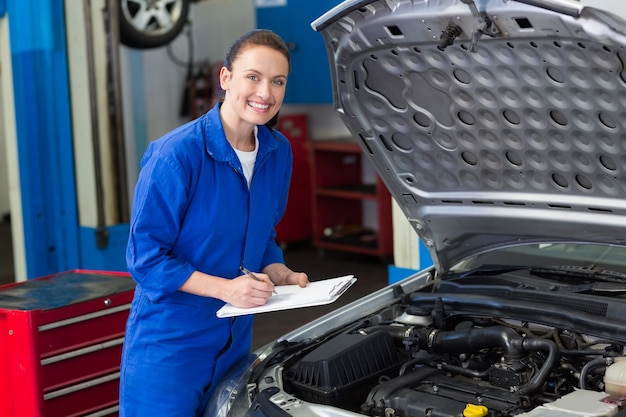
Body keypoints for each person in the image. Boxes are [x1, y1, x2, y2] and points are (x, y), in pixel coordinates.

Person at [119, 29, 309, 416]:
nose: (265, 93)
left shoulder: (278, 152)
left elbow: (262, 233)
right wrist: (226, 289)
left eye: (278, 81)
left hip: (235, 342)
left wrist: (279, 270)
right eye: (253, 77)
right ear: (226, 79)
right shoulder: (176, 155)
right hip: (170, 345)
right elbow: (146, 259)